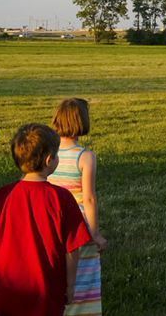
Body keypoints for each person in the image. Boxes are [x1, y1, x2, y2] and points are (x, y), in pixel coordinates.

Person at [0, 124, 93, 316]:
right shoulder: (62, 198)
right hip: (47, 296)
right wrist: (70, 285)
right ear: (50, 160)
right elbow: (72, 249)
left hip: (7, 294)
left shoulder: (2, 197)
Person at [51, 98, 106, 314]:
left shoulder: (49, 154)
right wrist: (94, 233)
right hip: (78, 226)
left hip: (53, 220)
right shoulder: (85, 156)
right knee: (83, 273)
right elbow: (89, 198)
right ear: (82, 121)